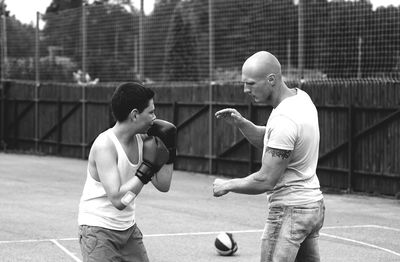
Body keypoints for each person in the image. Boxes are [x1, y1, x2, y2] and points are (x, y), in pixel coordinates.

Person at [213, 51, 324, 262]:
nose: (246, 89)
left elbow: (266, 179)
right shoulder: (301, 98)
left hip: (290, 211)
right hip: (311, 207)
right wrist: (243, 124)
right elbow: (277, 141)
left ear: (271, 79)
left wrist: (228, 185)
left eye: (251, 83)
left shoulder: (284, 118)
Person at [78, 82, 177, 262]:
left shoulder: (144, 141)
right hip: (98, 230)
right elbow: (118, 200)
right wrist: (146, 170)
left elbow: (163, 185)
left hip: (128, 229)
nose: (155, 118)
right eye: (151, 112)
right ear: (134, 115)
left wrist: (169, 151)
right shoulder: (105, 146)